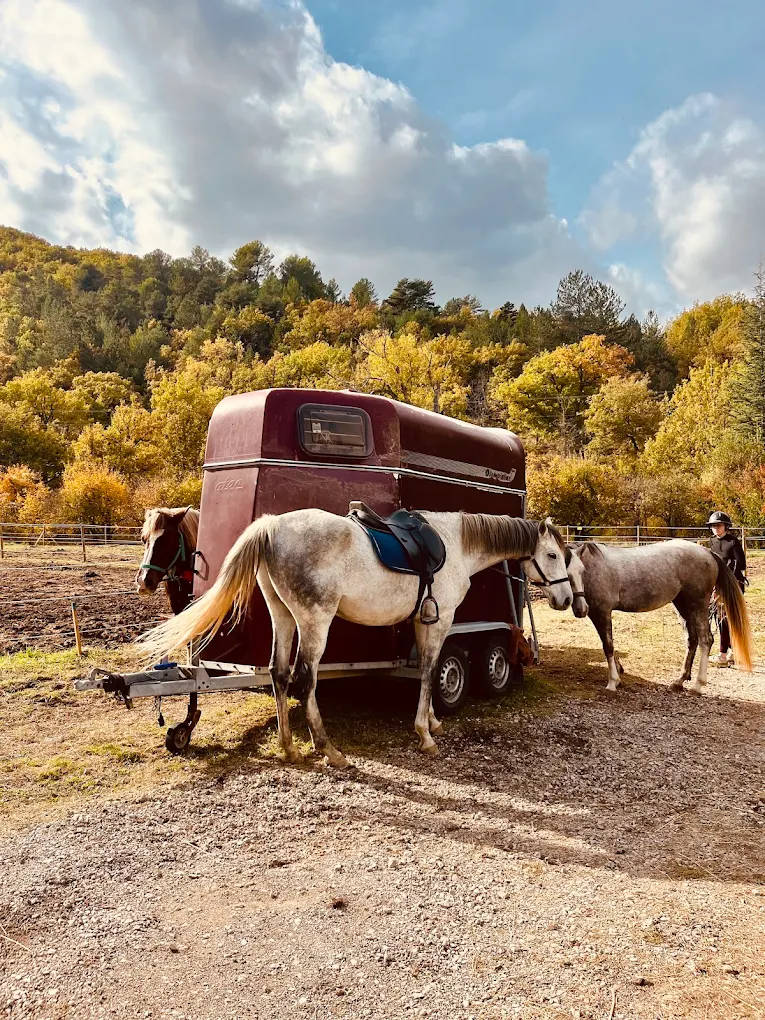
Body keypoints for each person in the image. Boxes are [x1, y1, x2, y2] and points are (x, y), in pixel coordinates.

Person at [707, 510, 747, 665]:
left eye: (719, 525)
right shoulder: (712, 541)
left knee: (726, 619)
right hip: (717, 585)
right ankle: (730, 651)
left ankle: (723, 655)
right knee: (719, 618)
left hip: (733, 584)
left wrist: (728, 581)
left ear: (725, 526)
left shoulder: (733, 541)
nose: (716, 528)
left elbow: (740, 564)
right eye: (713, 526)